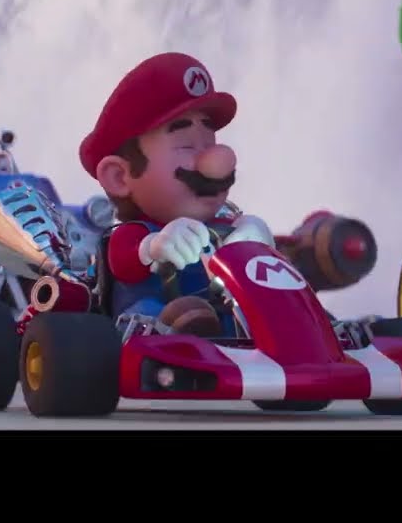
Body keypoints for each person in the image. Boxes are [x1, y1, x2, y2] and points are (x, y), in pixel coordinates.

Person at [78, 52, 274, 337]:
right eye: (186, 146)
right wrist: (153, 246)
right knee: (169, 312)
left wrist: (257, 239)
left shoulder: (225, 225)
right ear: (119, 176)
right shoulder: (133, 234)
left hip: (228, 320)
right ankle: (185, 332)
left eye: (209, 144)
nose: (212, 162)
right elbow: (123, 260)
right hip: (148, 326)